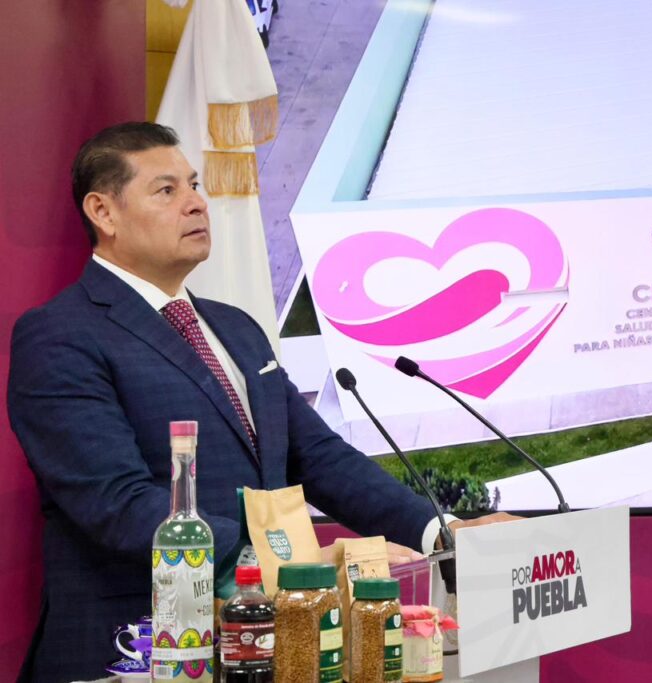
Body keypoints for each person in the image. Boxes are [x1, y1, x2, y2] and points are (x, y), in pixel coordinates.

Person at [7, 122, 513, 683]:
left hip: (265, 646)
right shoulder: (61, 335)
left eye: (194, 185)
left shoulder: (236, 329)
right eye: (166, 190)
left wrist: (440, 530)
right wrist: (279, 563)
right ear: (103, 212)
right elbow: (117, 504)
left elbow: (317, 456)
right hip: (138, 649)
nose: (197, 203)